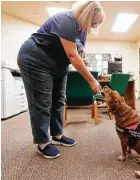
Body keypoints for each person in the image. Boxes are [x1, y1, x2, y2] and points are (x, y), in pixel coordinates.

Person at [17, 1, 105, 159]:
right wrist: (92, 80)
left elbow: (78, 52)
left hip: (59, 64)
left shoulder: (83, 30)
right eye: (93, 22)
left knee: (59, 100)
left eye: (96, 24)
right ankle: (42, 142)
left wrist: (82, 60)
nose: (93, 26)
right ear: (86, 15)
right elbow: (72, 55)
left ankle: (57, 135)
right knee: (42, 102)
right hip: (36, 59)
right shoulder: (66, 19)